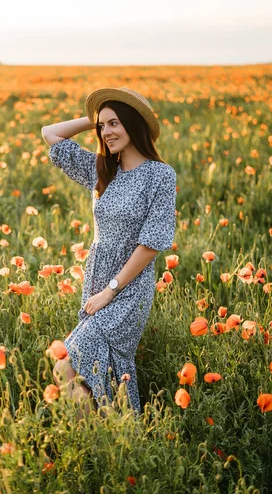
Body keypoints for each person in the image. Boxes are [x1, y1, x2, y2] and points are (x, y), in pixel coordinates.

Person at [41, 87, 177, 419]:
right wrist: (93, 120)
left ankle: (105, 443)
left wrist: (110, 292)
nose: (107, 132)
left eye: (115, 123)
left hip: (128, 289)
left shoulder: (160, 176)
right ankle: (110, 442)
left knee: (65, 365)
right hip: (98, 279)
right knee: (85, 373)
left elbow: (152, 244)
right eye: (103, 126)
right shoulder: (102, 170)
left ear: (134, 123)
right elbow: (50, 134)